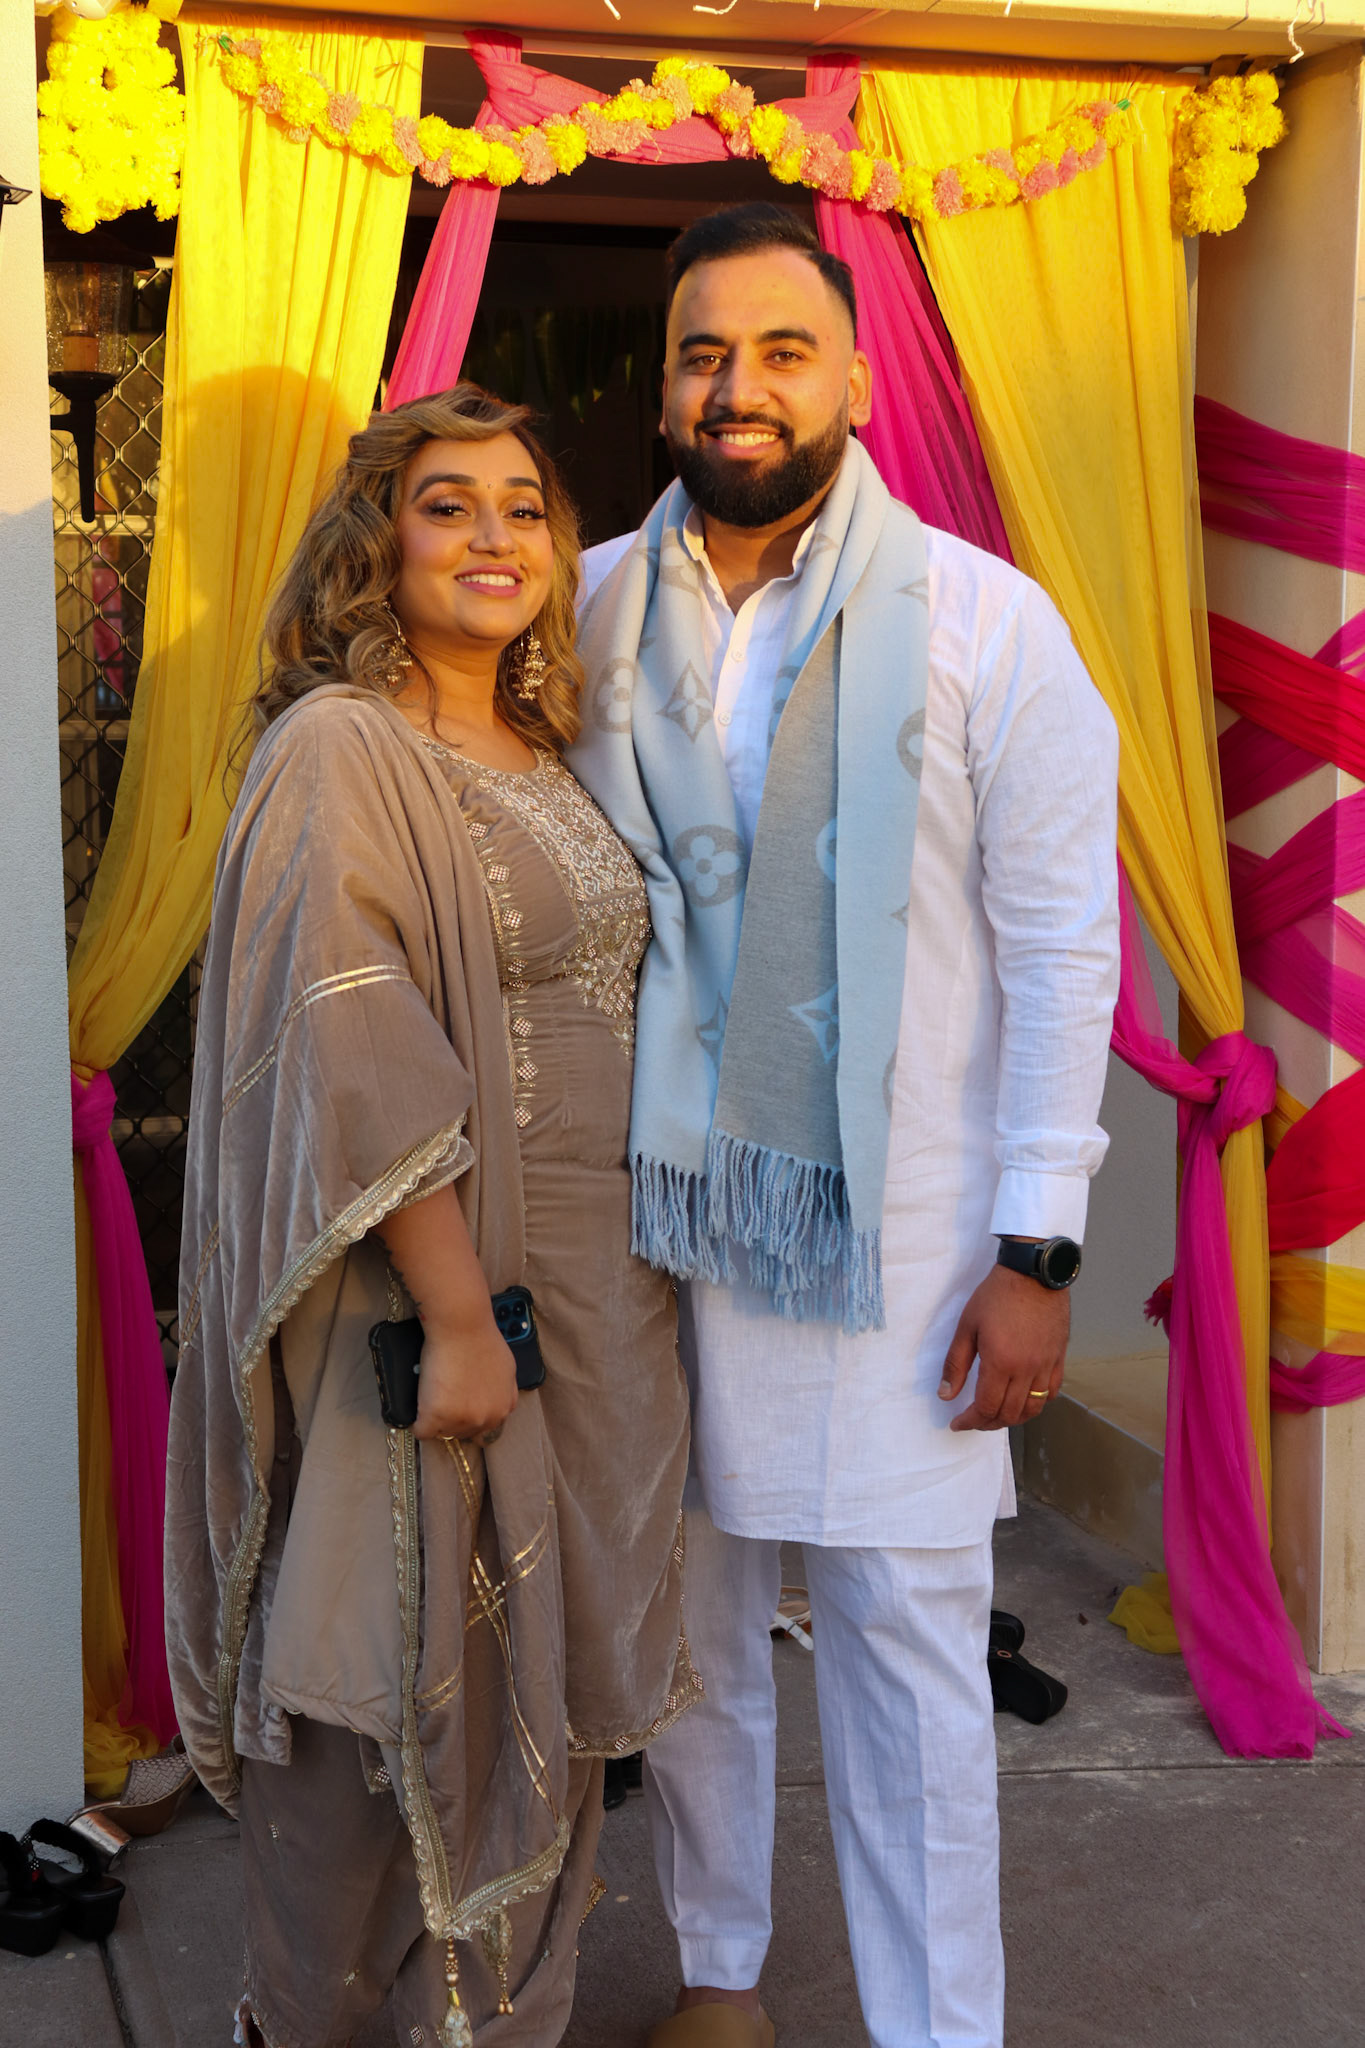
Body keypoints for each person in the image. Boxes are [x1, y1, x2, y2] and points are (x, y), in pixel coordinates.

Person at [571, 203, 1120, 2048]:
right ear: (664, 389)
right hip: (649, 1231)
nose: (739, 386)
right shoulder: (581, 605)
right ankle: (719, 1980)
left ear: (857, 383)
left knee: (905, 1666)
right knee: (689, 1641)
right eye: (702, 353)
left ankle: (936, 2031)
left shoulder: (984, 620)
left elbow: (1062, 945)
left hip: (906, 1251)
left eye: (782, 350)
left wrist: (1037, 1248)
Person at [164, 386, 696, 2048]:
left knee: (547, 1685)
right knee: (385, 1684)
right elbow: (355, 1038)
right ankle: (311, 2021)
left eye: (525, 506)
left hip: (601, 1303)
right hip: (433, 1294)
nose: (493, 536)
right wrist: (462, 1319)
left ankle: (497, 2026)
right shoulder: (344, 745)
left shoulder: (552, 753)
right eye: (446, 503)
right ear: (375, 543)